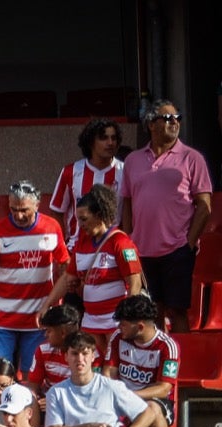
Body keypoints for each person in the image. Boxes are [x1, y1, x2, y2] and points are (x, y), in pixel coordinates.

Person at [122, 100, 211, 333]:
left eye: (177, 118)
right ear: (151, 124)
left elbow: (204, 206)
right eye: (168, 118)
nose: (174, 123)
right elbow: (128, 203)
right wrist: (129, 241)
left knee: (177, 310)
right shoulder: (132, 161)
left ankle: (183, 363)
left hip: (177, 250)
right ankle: (158, 364)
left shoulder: (192, 158)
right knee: (152, 311)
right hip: (142, 250)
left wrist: (188, 243)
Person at [0, 180, 69, 370]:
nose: (18, 215)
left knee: (33, 378)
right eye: (13, 209)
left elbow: (66, 267)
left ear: (37, 205)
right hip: (3, 320)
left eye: (24, 210)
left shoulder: (52, 227)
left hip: (38, 320)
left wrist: (56, 304)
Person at [50, 184, 143, 338]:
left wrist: (127, 317)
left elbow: (135, 283)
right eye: (78, 220)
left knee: (114, 362)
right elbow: (68, 277)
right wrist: (47, 304)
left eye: (84, 219)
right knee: (91, 361)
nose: (80, 225)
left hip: (115, 323)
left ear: (99, 215)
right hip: (90, 321)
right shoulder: (82, 243)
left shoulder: (120, 242)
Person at [107, 294, 177, 427]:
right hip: (121, 399)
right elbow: (108, 373)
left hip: (153, 400)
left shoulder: (167, 346)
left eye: (123, 324)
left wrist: (132, 396)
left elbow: (164, 388)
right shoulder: (117, 338)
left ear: (140, 327)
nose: (119, 327)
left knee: (153, 409)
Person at [48, 117, 123, 250]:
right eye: (103, 138)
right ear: (90, 142)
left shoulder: (125, 171)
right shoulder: (70, 172)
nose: (110, 142)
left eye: (113, 138)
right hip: (76, 249)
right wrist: (62, 245)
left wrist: (126, 240)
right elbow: (57, 212)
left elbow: (130, 211)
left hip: (113, 248)